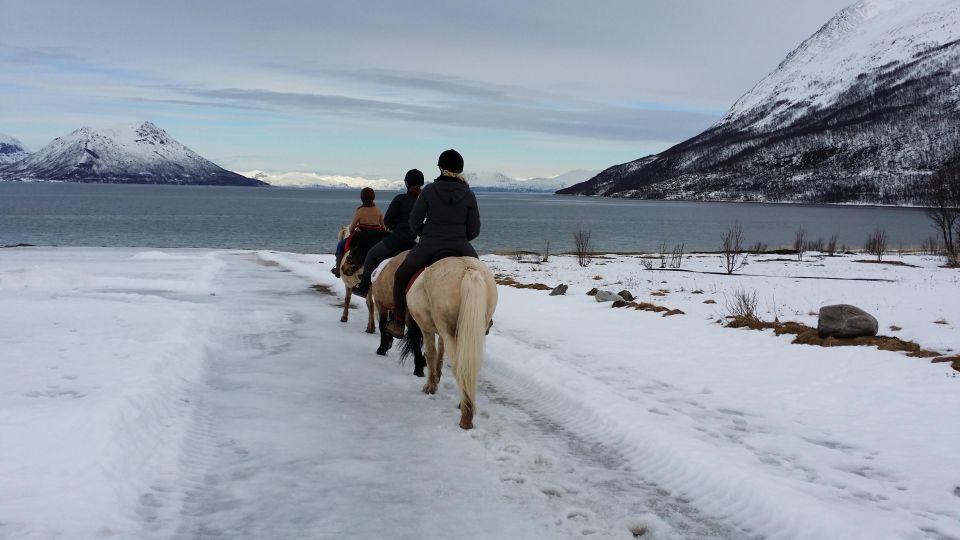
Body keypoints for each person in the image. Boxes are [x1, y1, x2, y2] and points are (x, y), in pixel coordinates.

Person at [386, 149, 480, 338]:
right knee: (480, 277)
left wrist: (425, 233)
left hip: (429, 247)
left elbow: (414, 222)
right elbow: (474, 230)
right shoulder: (469, 195)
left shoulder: (429, 191)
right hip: (461, 247)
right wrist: (459, 238)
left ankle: (399, 322)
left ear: (441, 168)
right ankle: (485, 318)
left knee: (401, 276)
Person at [351, 169, 425, 298]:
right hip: (414, 243)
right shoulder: (423, 201)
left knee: (372, 255)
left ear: (406, 183)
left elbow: (388, 221)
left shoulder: (400, 199)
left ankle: (364, 287)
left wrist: (394, 226)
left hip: (396, 241)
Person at [332, 187, 385, 277]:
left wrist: (356, 230)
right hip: (376, 238)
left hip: (362, 237)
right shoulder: (378, 211)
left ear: (362, 198)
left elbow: (351, 228)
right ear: (373, 198)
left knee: (340, 245)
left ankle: (337, 270)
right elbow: (383, 227)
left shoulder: (359, 211)